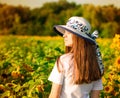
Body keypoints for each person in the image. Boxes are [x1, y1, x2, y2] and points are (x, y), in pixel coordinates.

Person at [48, 16, 104, 98]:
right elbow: (95, 96)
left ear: (78, 38)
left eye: (68, 33)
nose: (64, 35)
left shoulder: (64, 61)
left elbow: (54, 95)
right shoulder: (96, 64)